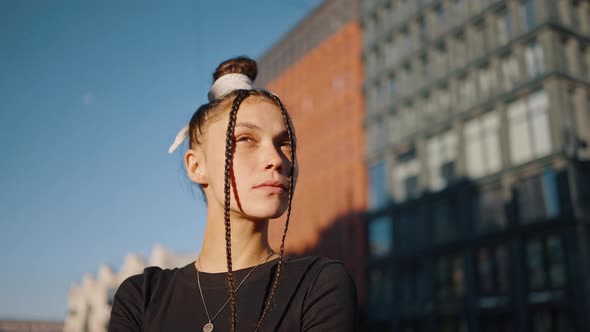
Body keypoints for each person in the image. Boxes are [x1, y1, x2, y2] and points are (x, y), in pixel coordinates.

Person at [108, 56, 358, 332]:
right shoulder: (143, 296)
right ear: (196, 165)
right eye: (246, 139)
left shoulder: (318, 285)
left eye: (284, 143)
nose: (276, 159)